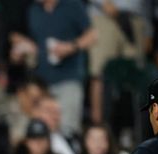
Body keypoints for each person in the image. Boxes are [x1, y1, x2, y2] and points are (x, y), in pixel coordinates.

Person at [10, 0, 96, 136]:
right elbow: (35, 42)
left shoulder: (72, 4)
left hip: (69, 78)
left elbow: (92, 36)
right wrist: (25, 49)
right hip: (42, 84)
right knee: (42, 130)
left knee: (68, 129)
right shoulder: (33, 10)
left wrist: (71, 47)